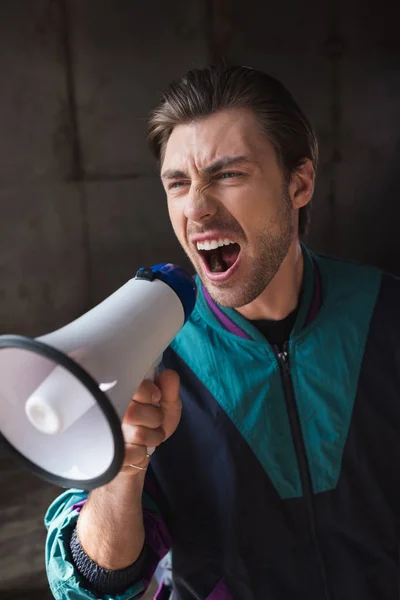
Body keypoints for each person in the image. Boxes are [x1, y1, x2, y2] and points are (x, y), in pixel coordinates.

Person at [45, 65, 400, 600]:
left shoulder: (388, 313)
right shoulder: (147, 351)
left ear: (299, 184)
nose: (197, 208)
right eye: (178, 184)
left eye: (228, 175)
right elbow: (92, 587)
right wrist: (122, 466)